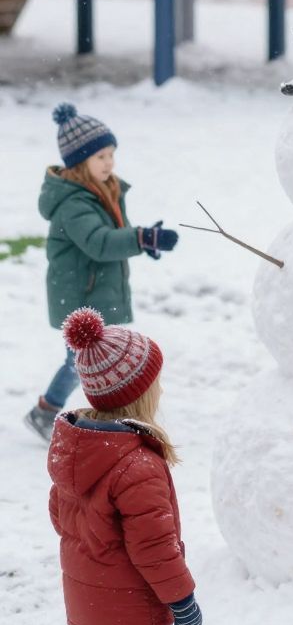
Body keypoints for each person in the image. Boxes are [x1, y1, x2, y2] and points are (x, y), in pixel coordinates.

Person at [46, 307, 201, 625]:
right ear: (138, 393)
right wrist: (182, 600)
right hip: (129, 607)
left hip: (89, 600)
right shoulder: (135, 463)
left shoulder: (76, 445)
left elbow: (60, 519)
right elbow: (154, 549)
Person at [26, 102, 179, 442]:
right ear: (80, 163)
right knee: (79, 364)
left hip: (92, 290)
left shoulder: (101, 191)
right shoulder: (74, 203)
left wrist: (142, 242)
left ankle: (60, 411)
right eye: (100, 157)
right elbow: (99, 242)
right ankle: (46, 411)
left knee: (85, 363)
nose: (109, 162)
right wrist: (142, 238)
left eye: (111, 154)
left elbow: (110, 237)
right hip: (79, 296)